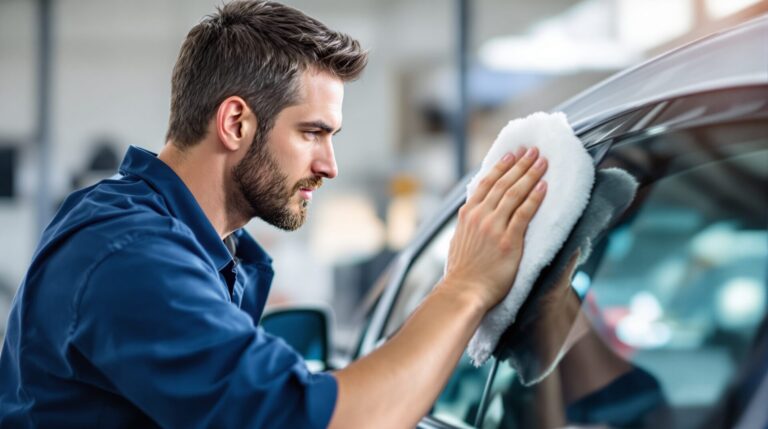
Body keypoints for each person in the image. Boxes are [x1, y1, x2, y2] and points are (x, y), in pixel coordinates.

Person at [0, 1, 549, 428]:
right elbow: (304, 421)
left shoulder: (196, 247)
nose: (329, 165)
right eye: (313, 132)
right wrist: (466, 289)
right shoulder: (131, 253)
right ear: (235, 123)